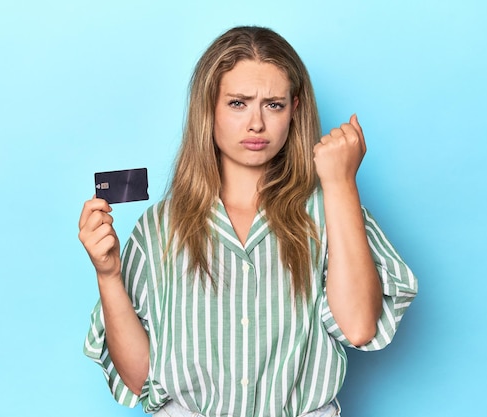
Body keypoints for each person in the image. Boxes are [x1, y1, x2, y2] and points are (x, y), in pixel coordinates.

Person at [79, 25, 418, 417]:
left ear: (295, 109)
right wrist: (107, 274)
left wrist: (340, 182)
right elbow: (141, 379)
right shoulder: (161, 227)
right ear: (209, 109)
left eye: (273, 104)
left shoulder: (328, 213)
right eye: (238, 103)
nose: (256, 123)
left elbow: (359, 327)